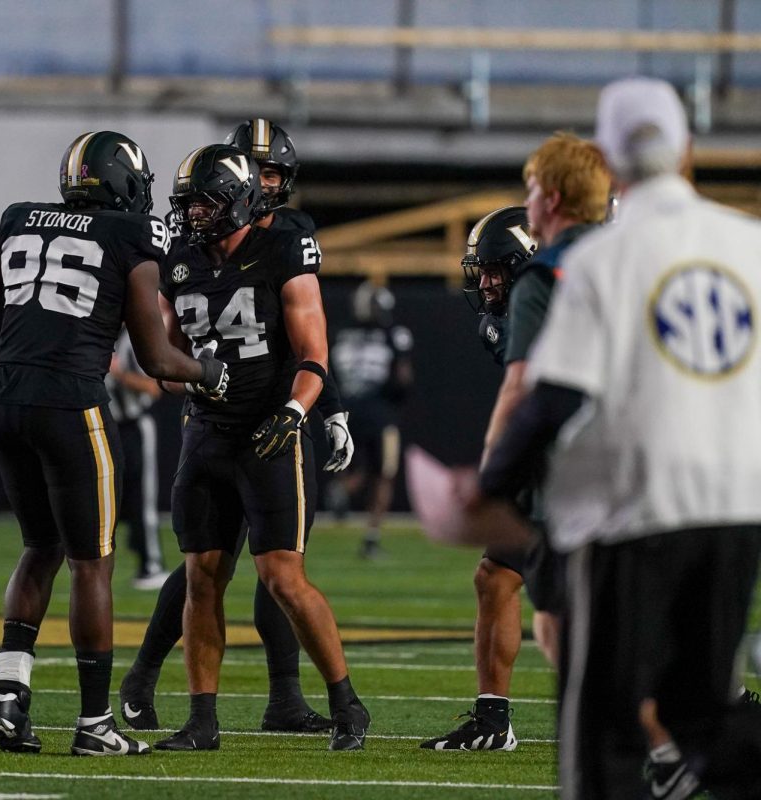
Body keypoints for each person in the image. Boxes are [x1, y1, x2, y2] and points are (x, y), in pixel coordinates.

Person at [474, 78, 761, 799]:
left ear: (606, 158)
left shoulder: (598, 259)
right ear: (689, 150)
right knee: (705, 713)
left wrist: (487, 487)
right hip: (734, 508)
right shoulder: (749, 244)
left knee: (603, 731)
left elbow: (552, 396)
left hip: (634, 511)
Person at [0, 130, 228, 757]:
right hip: (70, 401)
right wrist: (207, 370)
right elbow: (154, 357)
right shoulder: (132, 235)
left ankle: (6, 695)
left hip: (3, 399)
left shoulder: (21, 220)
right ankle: (95, 725)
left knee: (39, 546)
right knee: (91, 562)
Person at [120, 120, 355, 736]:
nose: (195, 215)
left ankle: (325, 701)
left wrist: (316, 408)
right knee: (204, 570)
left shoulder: (288, 242)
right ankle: (187, 706)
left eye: (208, 202)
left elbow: (312, 347)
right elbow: (164, 357)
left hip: (274, 425)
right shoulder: (178, 251)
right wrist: (193, 374)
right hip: (209, 429)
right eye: (190, 203)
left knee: (279, 571)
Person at [423, 134, 611, 752]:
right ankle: (494, 717)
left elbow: (523, 389)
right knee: (499, 577)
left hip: (581, 458)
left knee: (584, 600)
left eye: (494, 271)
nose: (486, 283)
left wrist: (489, 473)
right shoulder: (611, 257)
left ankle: (684, 707)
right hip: (587, 453)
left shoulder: (547, 275)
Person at [327, 281, 413, 556]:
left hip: (347, 410)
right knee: (384, 474)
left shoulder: (341, 333)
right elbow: (402, 378)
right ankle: (372, 538)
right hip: (380, 412)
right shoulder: (394, 334)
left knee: (357, 467)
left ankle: (343, 489)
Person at [104, 329, 167, 589]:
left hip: (133, 427)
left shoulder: (132, 339)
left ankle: (150, 566)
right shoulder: (92, 328)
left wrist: (118, 373)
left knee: (142, 498)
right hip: (103, 428)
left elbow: (153, 388)